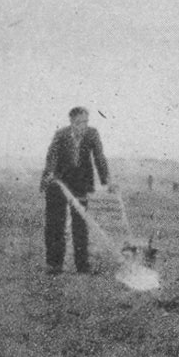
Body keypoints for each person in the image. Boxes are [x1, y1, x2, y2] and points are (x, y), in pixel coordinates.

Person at [40, 106, 113, 275]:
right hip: (58, 182)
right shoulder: (61, 135)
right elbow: (51, 157)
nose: (83, 126)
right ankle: (54, 264)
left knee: (81, 223)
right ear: (72, 122)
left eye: (86, 122)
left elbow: (99, 157)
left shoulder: (92, 134)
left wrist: (107, 181)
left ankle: (82, 265)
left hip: (80, 183)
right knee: (55, 224)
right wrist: (50, 174)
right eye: (79, 122)